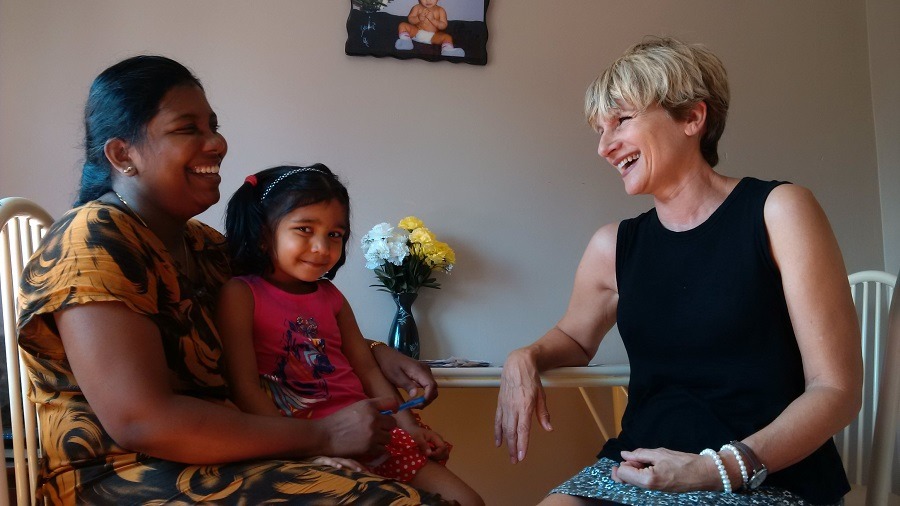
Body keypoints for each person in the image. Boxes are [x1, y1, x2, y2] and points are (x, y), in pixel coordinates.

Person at [16, 55, 454, 504]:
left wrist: (374, 353)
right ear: (122, 154)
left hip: (231, 455)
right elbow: (142, 422)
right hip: (127, 476)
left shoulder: (201, 245)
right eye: (188, 128)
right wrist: (321, 437)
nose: (217, 143)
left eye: (213, 125)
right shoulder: (92, 241)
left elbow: (285, 316)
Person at [494, 37, 861, 505]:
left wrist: (717, 468)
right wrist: (524, 357)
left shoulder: (779, 211)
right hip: (637, 468)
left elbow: (836, 389)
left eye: (622, 120)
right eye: (599, 130)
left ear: (692, 117)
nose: (605, 147)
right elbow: (576, 338)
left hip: (764, 474)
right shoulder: (613, 245)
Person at [217, 164, 484, 505]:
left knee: (469, 502)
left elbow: (367, 369)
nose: (321, 247)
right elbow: (244, 387)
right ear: (263, 234)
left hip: (378, 431)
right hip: (307, 443)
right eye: (304, 229)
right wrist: (298, 452)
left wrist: (409, 426)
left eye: (334, 234)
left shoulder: (331, 297)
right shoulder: (240, 295)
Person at [394, 0, 465, 57]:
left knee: (447, 37)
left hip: (433, 37)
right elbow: (410, 20)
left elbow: (443, 26)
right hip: (416, 32)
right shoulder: (417, 7)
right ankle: (405, 41)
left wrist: (433, 20)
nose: (428, 1)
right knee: (402, 25)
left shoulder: (440, 10)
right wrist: (418, 18)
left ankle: (447, 50)